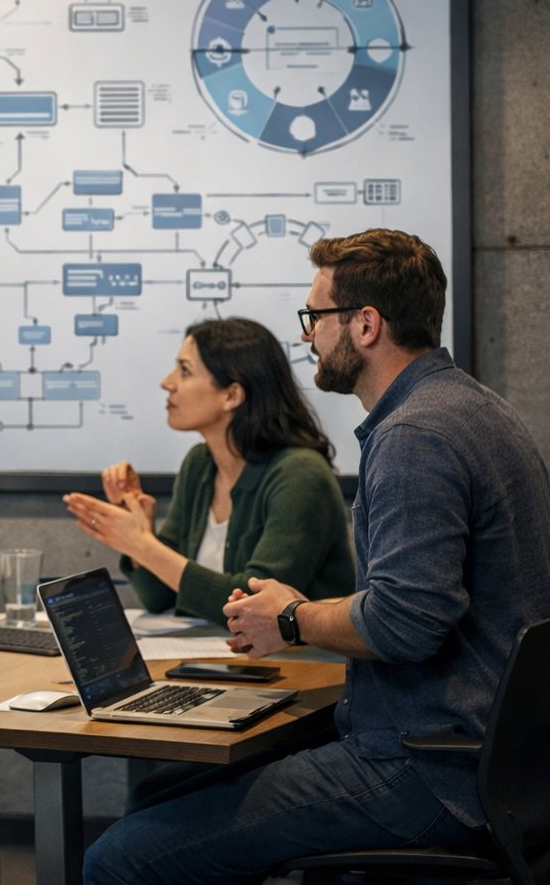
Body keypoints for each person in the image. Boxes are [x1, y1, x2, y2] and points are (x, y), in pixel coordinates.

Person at [82, 228, 550, 885]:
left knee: (119, 858)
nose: (308, 337)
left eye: (315, 318)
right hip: (494, 764)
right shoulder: (474, 409)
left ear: (365, 325)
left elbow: (405, 623)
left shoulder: (416, 435)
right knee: (156, 800)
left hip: (423, 771)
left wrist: (295, 618)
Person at [62, 317, 353, 626]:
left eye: (184, 371)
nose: (167, 382)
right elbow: (158, 597)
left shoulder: (300, 474)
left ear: (232, 395)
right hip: (219, 662)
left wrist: (140, 544)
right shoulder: (200, 463)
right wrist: (141, 531)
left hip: (303, 667)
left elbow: (256, 607)